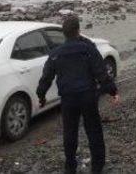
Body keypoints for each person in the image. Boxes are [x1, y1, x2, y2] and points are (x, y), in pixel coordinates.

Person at [37, 15, 120, 174]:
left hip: (68, 99)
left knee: (70, 133)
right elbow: (101, 72)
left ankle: (70, 167)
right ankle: (97, 166)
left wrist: (41, 96)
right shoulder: (88, 49)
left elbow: (46, 77)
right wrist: (112, 91)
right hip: (88, 96)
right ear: (78, 31)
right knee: (94, 131)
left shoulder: (56, 53)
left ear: (64, 33)